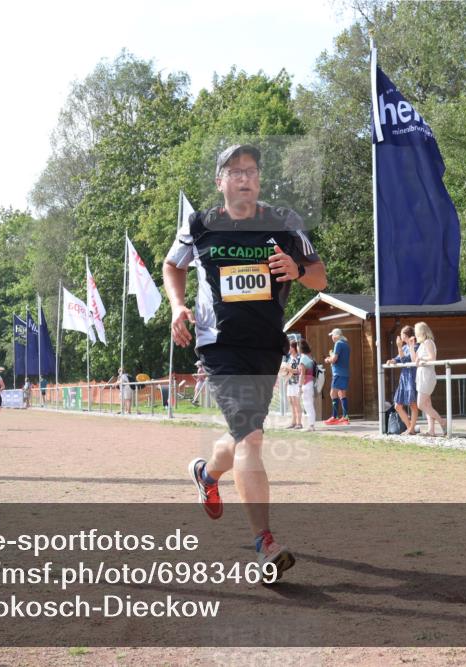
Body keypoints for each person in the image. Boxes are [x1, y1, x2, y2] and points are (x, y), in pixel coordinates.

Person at [164, 143, 327, 580]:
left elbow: (319, 275)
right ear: (221, 182)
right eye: (234, 171)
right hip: (219, 343)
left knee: (242, 437)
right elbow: (172, 265)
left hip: (266, 344)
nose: (244, 178)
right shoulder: (200, 225)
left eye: (251, 170)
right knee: (252, 438)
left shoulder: (285, 222)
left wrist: (296, 269)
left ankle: (206, 473)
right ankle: (265, 545)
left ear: (259, 179)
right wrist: (178, 307)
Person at [410, 322, 447, 436]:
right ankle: (431, 430)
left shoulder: (428, 342)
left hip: (427, 376)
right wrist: (411, 346)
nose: (415, 335)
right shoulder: (421, 344)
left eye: (416, 332)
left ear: (421, 332)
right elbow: (414, 360)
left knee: (421, 404)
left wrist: (421, 358)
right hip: (421, 376)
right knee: (427, 405)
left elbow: (432, 358)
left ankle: (442, 421)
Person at [386, 325, 419, 435]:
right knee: (397, 406)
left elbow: (405, 360)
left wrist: (399, 347)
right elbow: (398, 359)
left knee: (413, 404)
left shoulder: (415, 346)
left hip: (411, 377)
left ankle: (411, 429)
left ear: (405, 335)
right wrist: (392, 360)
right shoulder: (405, 347)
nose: (400, 336)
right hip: (404, 378)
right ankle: (410, 428)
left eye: (401, 334)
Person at [323, 328, 350, 425]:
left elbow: (334, 359)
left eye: (332, 336)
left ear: (336, 336)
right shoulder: (346, 345)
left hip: (338, 373)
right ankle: (345, 417)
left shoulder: (338, 344)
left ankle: (334, 417)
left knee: (332, 394)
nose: (332, 338)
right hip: (345, 373)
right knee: (342, 394)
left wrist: (328, 360)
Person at [299, 340, 318, 431]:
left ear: (300, 348)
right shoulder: (310, 358)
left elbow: (302, 374)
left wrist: (299, 386)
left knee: (307, 405)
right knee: (310, 405)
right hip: (311, 383)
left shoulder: (303, 358)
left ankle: (311, 426)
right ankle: (311, 425)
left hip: (306, 383)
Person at [284, 340, 303, 429]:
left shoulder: (299, 358)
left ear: (293, 348)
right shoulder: (290, 358)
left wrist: (288, 369)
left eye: (290, 347)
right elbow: (288, 370)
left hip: (296, 383)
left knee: (297, 403)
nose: (288, 349)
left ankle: (299, 423)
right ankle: (293, 422)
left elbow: (299, 371)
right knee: (292, 403)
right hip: (290, 383)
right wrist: (286, 378)